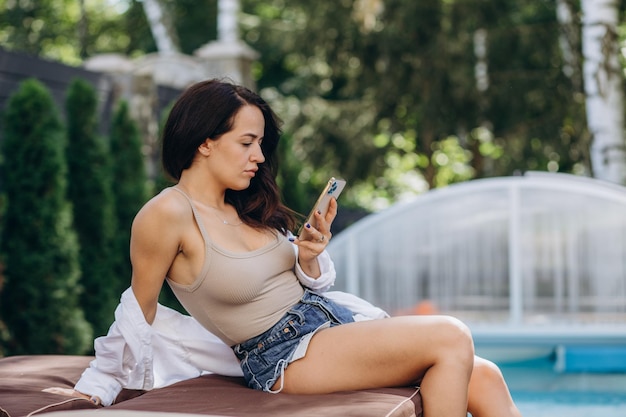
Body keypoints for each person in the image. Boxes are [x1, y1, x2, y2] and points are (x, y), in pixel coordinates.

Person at [54, 79, 521, 417]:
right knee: (449, 333)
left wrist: (309, 256)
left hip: (328, 327)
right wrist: (101, 383)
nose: (259, 156)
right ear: (204, 142)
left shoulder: (246, 206)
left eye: (261, 143)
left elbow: (296, 283)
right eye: (247, 142)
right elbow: (139, 307)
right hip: (282, 355)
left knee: (486, 375)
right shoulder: (166, 215)